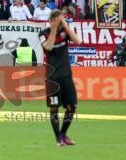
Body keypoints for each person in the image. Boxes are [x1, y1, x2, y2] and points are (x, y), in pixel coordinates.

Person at [39, 9, 81, 146]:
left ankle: (63, 134)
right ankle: (58, 138)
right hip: (53, 78)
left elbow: (78, 41)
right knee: (54, 108)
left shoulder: (64, 32)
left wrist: (65, 25)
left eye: (61, 19)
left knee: (72, 107)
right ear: (51, 21)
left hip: (66, 76)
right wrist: (54, 29)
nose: (59, 23)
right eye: (57, 20)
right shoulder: (43, 34)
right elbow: (49, 47)